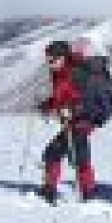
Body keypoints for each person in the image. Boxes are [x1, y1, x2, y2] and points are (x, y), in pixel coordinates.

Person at [37, 40, 97, 204]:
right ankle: (86, 192)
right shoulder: (58, 73)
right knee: (74, 157)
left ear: (62, 57)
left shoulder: (77, 73)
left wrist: (73, 110)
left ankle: (85, 192)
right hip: (70, 122)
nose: (49, 63)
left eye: (52, 60)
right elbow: (62, 98)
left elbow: (88, 100)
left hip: (81, 122)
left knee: (66, 155)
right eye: (47, 60)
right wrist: (48, 105)